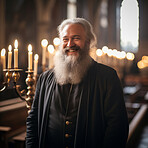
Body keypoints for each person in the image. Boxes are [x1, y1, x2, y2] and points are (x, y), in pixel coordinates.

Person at [26, 18, 129, 148]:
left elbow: (117, 127)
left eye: (76, 38)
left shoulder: (107, 77)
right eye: (65, 39)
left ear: (88, 42)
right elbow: (33, 120)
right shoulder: (45, 78)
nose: (70, 44)